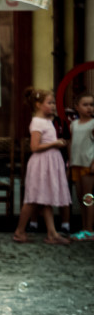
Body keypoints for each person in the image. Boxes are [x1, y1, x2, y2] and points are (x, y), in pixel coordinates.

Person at [12, 88, 72, 245]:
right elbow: (34, 147)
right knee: (32, 198)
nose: (53, 106)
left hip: (49, 161)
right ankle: (19, 231)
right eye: (49, 103)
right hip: (41, 163)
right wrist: (55, 143)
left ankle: (52, 233)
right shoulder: (37, 122)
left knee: (45, 198)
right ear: (38, 104)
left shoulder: (47, 121)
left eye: (53, 103)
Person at [68, 91, 94, 240]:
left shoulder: (93, 124)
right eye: (85, 105)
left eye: (91, 105)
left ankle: (89, 230)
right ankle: (84, 227)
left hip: (87, 164)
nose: (89, 108)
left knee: (88, 197)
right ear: (77, 107)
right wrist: (70, 163)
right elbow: (72, 143)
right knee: (80, 198)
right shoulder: (74, 124)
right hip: (76, 164)